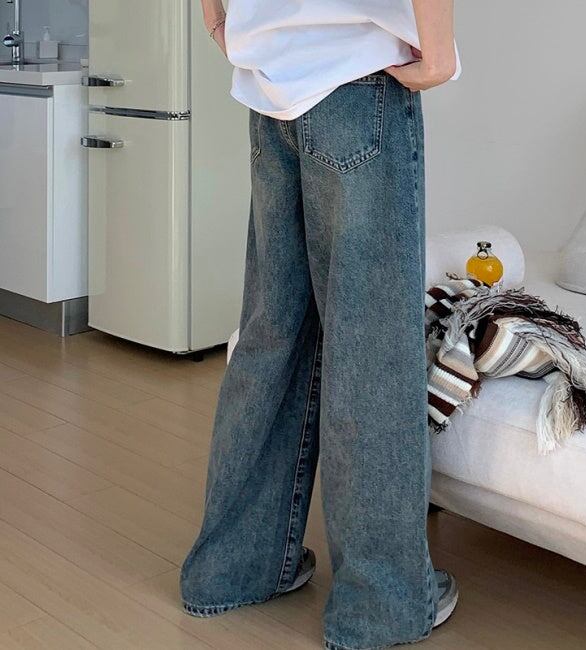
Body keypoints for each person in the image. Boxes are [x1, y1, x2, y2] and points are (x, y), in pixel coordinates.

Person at [181, 2, 461, 648]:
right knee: (372, 350)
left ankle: (232, 568)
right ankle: (381, 604)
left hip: (270, 83)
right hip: (360, 78)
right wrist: (439, 46)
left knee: (271, 334)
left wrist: (218, 17)